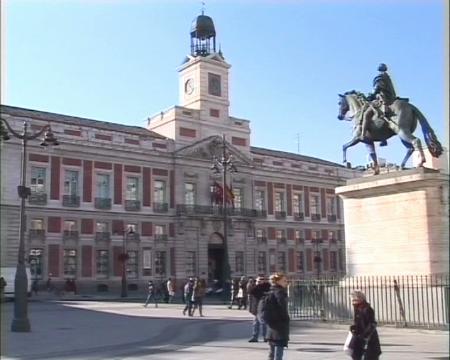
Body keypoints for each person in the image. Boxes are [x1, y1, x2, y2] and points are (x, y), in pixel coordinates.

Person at [361, 63, 398, 145]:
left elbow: (377, 88)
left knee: (366, 114)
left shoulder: (380, 77)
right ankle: (382, 138)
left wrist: (371, 95)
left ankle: (363, 134)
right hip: (390, 97)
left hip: (383, 98)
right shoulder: (387, 76)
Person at [350, 290, 382, 360]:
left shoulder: (367, 309)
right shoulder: (357, 309)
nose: (353, 302)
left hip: (368, 338)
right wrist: (353, 328)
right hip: (359, 337)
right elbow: (358, 322)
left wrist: (365, 336)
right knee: (354, 353)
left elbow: (372, 323)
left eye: (355, 299)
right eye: (352, 300)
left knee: (370, 356)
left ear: (361, 299)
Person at [264, 273, 290, 360]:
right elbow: (282, 308)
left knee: (271, 351)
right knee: (279, 350)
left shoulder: (270, 291)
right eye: (284, 281)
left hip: (271, 324)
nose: (286, 282)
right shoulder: (280, 292)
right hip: (279, 325)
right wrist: (286, 319)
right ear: (278, 282)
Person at [248, 276, 270, 343]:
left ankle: (265, 337)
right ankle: (255, 337)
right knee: (255, 323)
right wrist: (256, 284)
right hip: (256, 307)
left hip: (263, 308)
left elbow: (261, 294)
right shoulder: (255, 287)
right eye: (259, 280)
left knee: (263, 322)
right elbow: (250, 292)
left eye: (262, 279)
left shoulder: (266, 287)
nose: (260, 281)